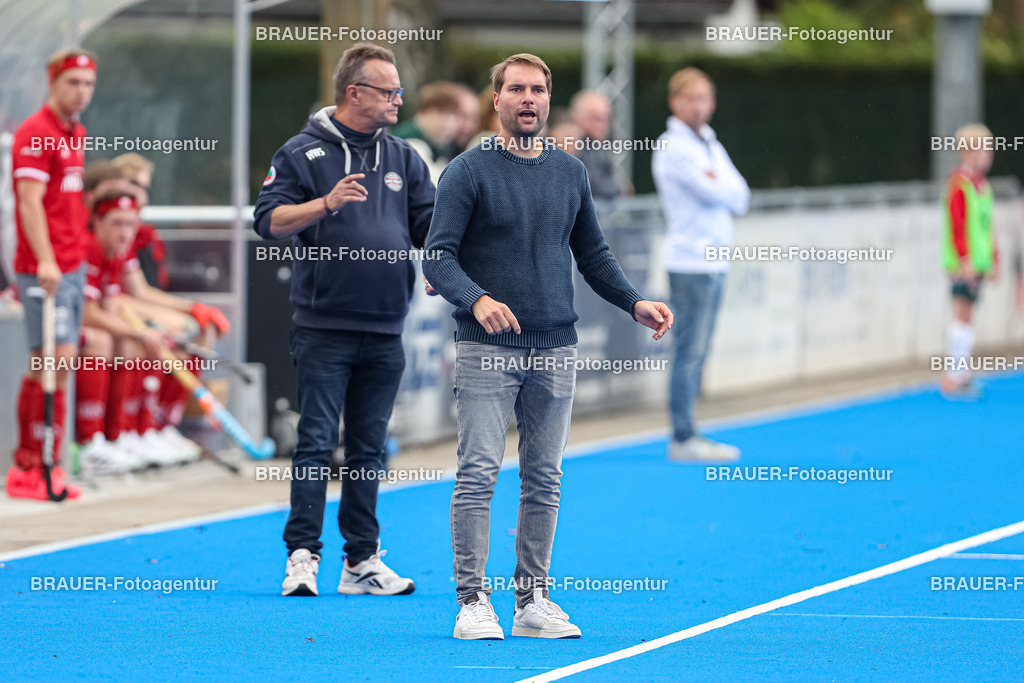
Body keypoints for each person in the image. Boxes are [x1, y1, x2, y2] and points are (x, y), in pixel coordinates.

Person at [423, 53, 672, 640]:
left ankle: (532, 599)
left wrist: (633, 301)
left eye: (537, 89)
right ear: (498, 100)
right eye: (516, 90)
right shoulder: (467, 170)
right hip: (486, 348)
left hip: (556, 346)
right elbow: (437, 255)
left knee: (544, 476)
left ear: (547, 99)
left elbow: (593, 254)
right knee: (479, 471)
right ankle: (472, 600)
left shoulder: (569, 171)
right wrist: (477, 299)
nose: (527, 99)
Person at [253, 42, 433, 598]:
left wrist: (449, 271)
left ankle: (361, 561)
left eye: (399, 90)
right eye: (389, 91)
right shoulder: (300, 153)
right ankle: (302, 556)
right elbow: (268, 222)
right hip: (324, 325)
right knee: (314, 442)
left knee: (369, 448)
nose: (399, 99)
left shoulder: (404, 157)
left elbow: (433, 229)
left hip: (385, 327)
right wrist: (325, 204)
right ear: (355, 93)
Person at [76, 191, 225, 474]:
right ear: (97, 220)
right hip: (53, 322)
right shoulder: (91, 247)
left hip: (86, 318)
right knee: (112, 340)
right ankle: (96, 441)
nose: (125, 232)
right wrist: (143, 333)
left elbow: (108, 305)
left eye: (130, 224)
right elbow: (88, 311)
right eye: (117, 223)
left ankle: (143, 431)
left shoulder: (116, 251)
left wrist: (146, 330)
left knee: (145, 337)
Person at [6, 48, 97, 501]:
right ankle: (30, 465)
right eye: (72, 83)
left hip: (72, 265)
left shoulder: (73, 131)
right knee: (50, 363)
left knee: (59, 365)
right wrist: (46, 260)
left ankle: (47, 463)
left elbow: (66, 203)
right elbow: (28, 201)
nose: (81, 93)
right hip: (47, 269)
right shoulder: (36, 132)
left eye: (88, 84)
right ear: (53, 83)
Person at [652, 67, 749, 463]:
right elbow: (713, 191)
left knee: (700, 350)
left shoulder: (710, 142)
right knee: (688, 350)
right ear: (675, 102)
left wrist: (719, 184)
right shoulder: (672, 145)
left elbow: (740, 196)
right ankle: (683, 435)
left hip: (715, 262)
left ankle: (689, 430)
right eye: (690, 98)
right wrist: (719, 185)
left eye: (705, 97)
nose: (699, 105)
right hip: (690, 261)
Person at [940, 123, 999, 398]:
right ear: (968, 152)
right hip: (964, 263)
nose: (988, 154)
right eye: (983, 148)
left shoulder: (983, 186)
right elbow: (957, 224)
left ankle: (961, 372)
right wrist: (964, 259)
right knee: (962, 314)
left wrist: (992, 258)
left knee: (968, 315)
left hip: (978, 262)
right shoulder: (959, 184)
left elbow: (987, 227)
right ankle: (954, 375)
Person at [390, 81, 465, 184]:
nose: (448, 122)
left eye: (453, 114)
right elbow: (435, 185)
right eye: (440, 113)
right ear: (422, 113)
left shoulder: (440, 143)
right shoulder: (410, 141)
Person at [569, 90, 628, 200]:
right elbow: (592, 186)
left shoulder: (599, 147)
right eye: (596, 118)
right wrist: (621, 189)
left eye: (606, 119)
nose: (603, 125)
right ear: (578, 117)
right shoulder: (569, 145)